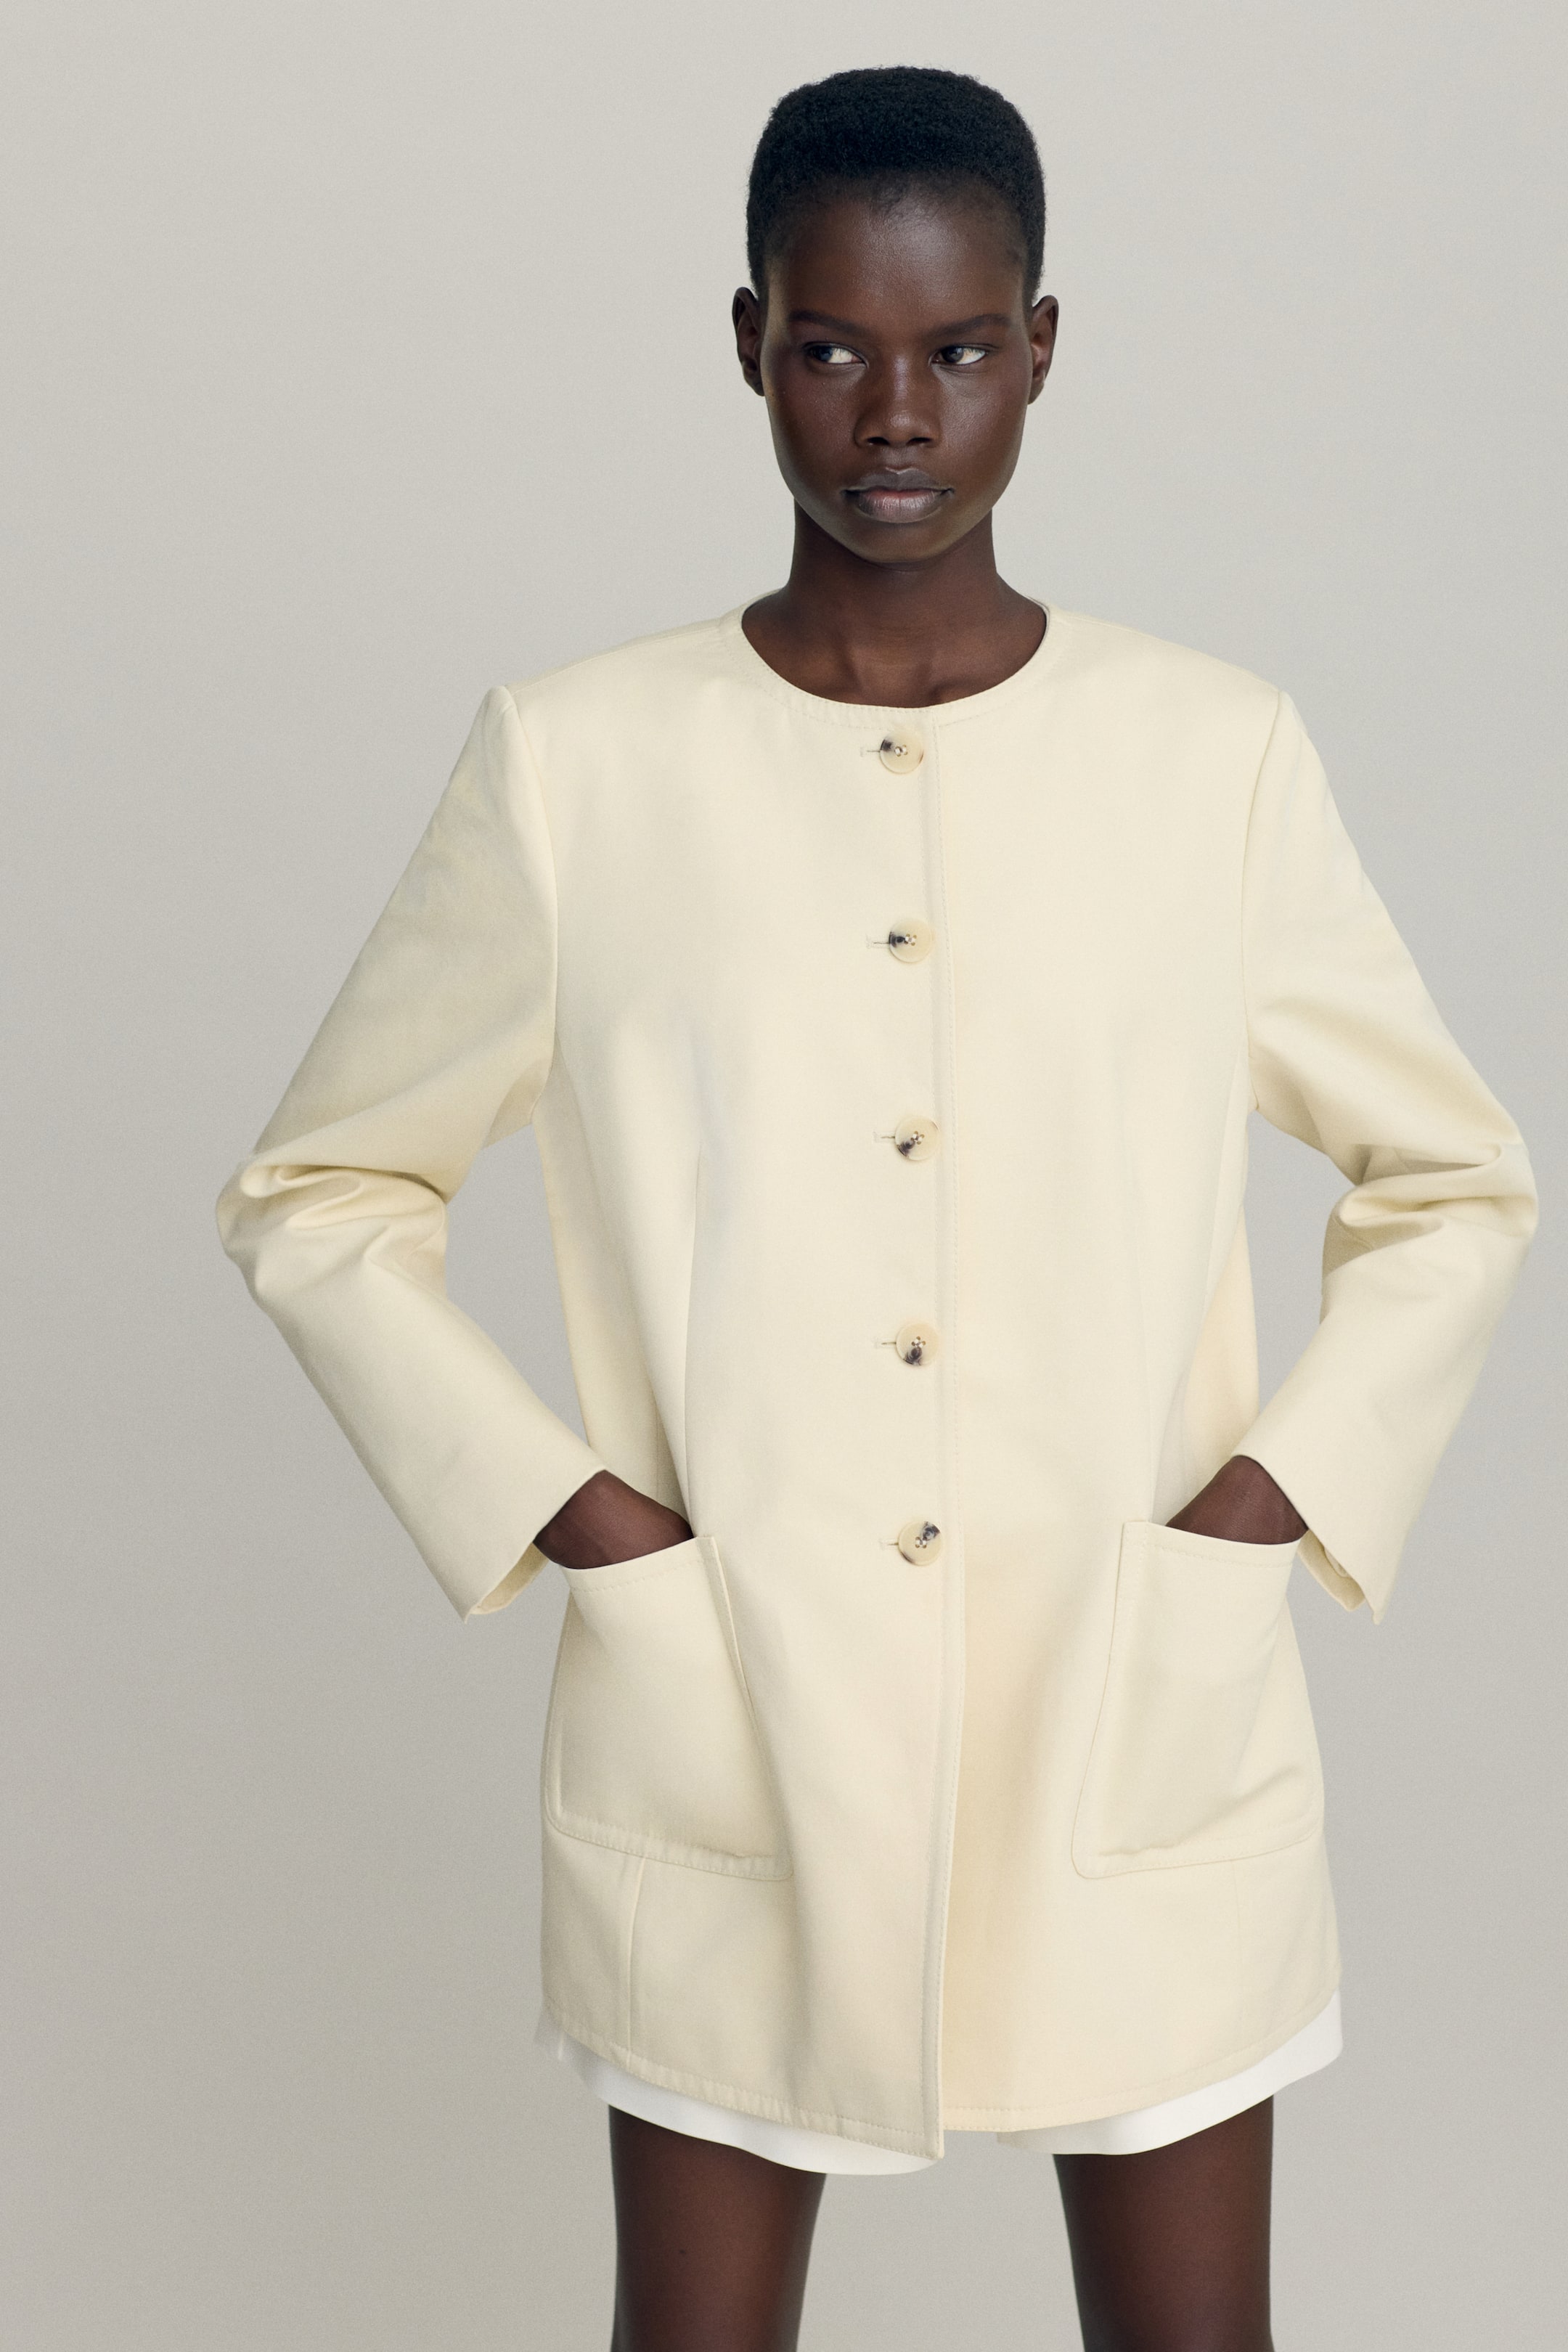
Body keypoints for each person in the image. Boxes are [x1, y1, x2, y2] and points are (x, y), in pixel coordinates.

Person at [218, 65, 1537, 2352]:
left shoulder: (1210, 757)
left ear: (1043, 349)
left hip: (1136, 1699)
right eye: (832, 347)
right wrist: (578, 1520)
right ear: (750, 343)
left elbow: (1456, 1176)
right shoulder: (578, 765)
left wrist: (1265, 1505)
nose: (896, 415)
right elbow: (320, 1189)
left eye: (957, 348)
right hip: (731, 1708)